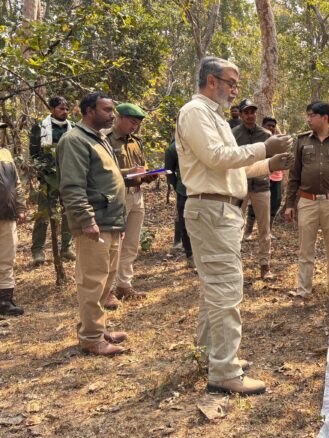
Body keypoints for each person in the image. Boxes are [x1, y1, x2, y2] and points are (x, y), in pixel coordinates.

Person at [176, 56, 292, 395]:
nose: (234, 90)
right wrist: (262, 146)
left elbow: (232, 168)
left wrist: (269, 161)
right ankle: (224, 372)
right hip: (211, 210)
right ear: (212, 81)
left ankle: (212, 355)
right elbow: (216, 157)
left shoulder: (214, 117)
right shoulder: (195, 113)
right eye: (231, 83)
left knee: (216, 289)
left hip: (223, 210)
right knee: (226, 290)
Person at [58, 92, 130, 356]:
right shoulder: (75, 140)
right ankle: (90, 338)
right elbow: (72, 185)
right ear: (89, 111)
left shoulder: (99, 139)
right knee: (92, 281)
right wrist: (86, 219)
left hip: (111, 220)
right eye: (107, 110)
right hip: (95, 221)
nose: (113, 114)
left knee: (106, 279)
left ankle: (96, 328)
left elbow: (104, 178)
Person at [285, 101, 329, 307]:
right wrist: (290, 204)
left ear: (325, 118)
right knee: (306, 249)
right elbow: (294, 175)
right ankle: (303, 291)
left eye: (312, 115)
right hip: (307, 201)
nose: (308, 119)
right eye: (308, 115)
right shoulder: (302, 141)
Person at [102, 103, 158, 309]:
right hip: (117, 196)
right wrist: (131, 172)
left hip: (137, 195)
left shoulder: (135, 142)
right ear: (119, 118)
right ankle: (106, 291)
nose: (135, 127)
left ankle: (124, 284)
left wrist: (147, 175)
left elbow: (140, 167)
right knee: (113, 244)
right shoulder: (106, 140)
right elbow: (106, 171)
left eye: (138, 123)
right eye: (132, 122)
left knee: (131, 243)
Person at [29, 96, 74, 265]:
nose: (65, 112)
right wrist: (43, 173)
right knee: (44, 213)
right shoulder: (40, 127)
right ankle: (38, 250)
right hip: (48, 178)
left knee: (68, 211)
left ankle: (66, 248)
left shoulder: (73, 128)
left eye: (66, 109)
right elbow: (33, 154)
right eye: (61, 108)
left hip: (69, 177)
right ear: (52, 109)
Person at [232, 99, 274, 279]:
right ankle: (234, 267)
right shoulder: (233, 134)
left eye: (253, 112)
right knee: (234, 227)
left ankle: (265, 266)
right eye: (246, 112)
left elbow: (273, 158)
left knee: (264, 229)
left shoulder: (265, 134)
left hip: (261, 185)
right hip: (239, 186)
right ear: (241, 115)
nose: (250, 115)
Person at [0, 122, 26, 316]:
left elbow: (16, 183)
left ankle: (4, 301)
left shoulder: (6, 154)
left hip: (7, 214)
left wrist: (21, 207)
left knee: (6, 258)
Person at [164, 140, 194, 269]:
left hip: (205, 190)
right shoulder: (172, 149)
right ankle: (190, 255)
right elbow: (169, 172)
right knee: (185, 223)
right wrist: (177, 187)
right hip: (184, 191)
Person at [263, 117, 284, 229]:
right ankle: (249, 230)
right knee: (258, 204)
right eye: (268, 125)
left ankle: (268, 229)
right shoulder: (260, 140)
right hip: (262, 176)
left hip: (277, 177)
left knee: (275, 203)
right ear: (263, 127)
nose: (271, 128)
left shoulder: (280, 140)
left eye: (273, 126)